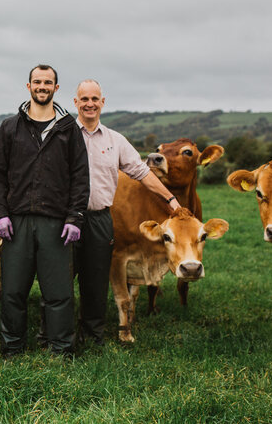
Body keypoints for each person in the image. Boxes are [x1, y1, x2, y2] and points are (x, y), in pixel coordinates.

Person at [0, 64, 89, 356]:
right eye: (37, 82)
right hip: (16, 221)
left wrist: (75, 218)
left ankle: (62, 350)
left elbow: (80, 177)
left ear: (56, 88)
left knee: (58, 293)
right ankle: (12, 349)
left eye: (48, 82)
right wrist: (1, 214)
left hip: (56, 223)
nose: (42, 86)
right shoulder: (10, 127)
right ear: (28, 86)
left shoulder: (69, 129)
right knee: (12, 292)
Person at [71, 79, 181, 345]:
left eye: (94, 99)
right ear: (75, 103)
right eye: (84, 99)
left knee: (96, 281)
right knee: (60, 280)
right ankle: (58, 336)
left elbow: (142, 172)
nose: (90, 104)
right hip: (67, 219)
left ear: (103, 102)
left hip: (99, 217)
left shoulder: (115, 140)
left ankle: (93, 335)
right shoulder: (63, 135)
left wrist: (171, 199)